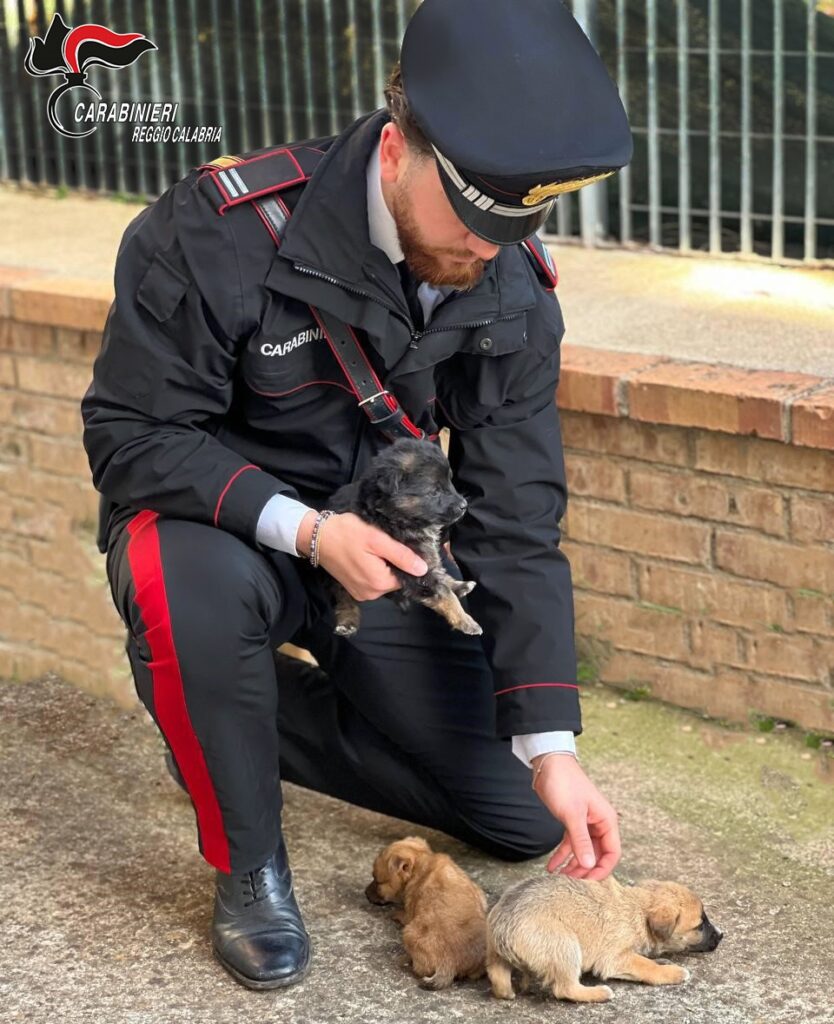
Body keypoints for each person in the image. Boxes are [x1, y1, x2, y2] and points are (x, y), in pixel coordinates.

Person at [81, 0, 632, 992]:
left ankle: (228, 711)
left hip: (376, 561)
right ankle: (247, 858)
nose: (483, 250)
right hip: (228, 534)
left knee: (511, 816)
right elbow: (132, 439)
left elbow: (516, 517)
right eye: (467, 219)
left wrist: (553, 744)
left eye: (511, 229)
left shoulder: (504, 282)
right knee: (183, 579)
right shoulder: (215, 235)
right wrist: (307, 527)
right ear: (395, 151)